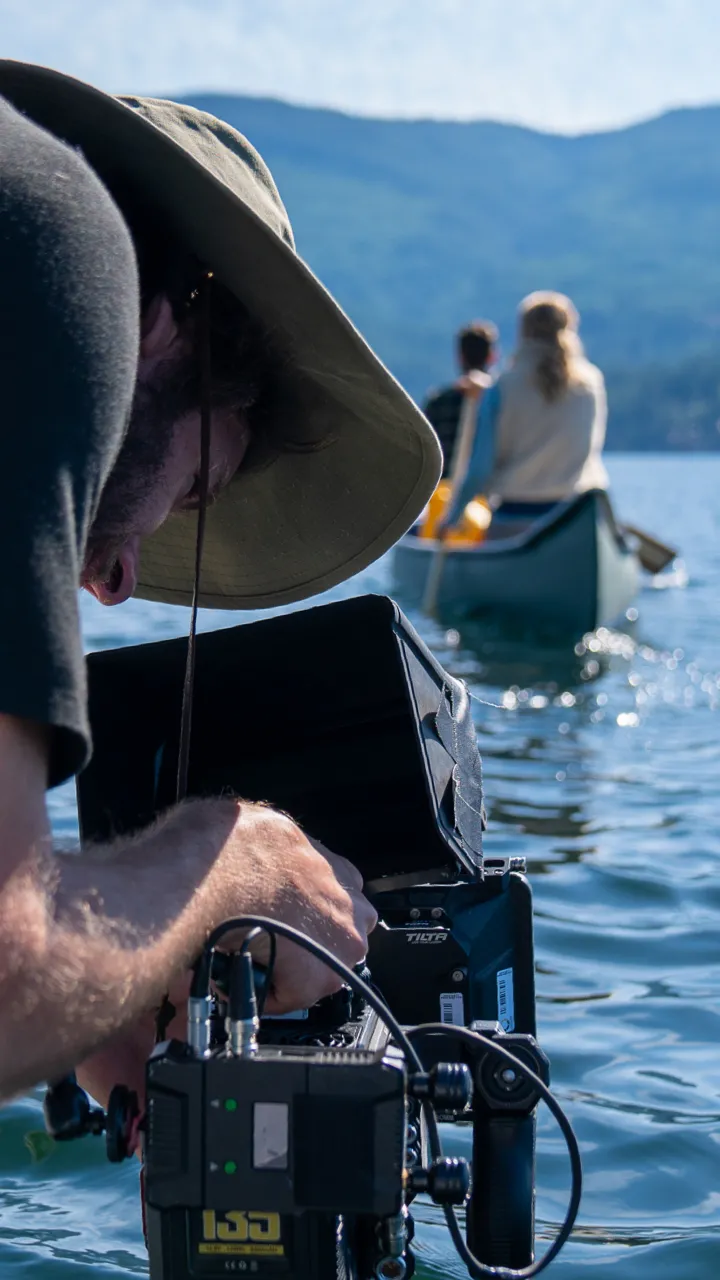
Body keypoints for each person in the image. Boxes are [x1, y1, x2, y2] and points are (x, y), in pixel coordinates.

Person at [0, 61, 441, 1104]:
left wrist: (103, 980)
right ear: (174, 326)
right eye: (193, 484)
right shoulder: (53, 235)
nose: (114, 581)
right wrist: (231, 859)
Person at [441, 291, 609, 534]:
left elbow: (478, 470)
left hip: (512, 518)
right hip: (574, 518)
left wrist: (452, 519)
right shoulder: (592, 383)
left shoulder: (502, 386)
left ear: (523, 331)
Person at [422, 321, 498, 477]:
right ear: (491, 357)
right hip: (487, 491)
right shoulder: (500, 403)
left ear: (460, 357)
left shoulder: (438, 402)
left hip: (440, 492)